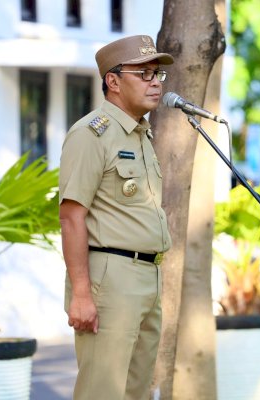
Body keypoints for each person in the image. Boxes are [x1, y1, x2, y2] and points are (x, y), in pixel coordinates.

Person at [58, 34, 174, 400]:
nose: (155, 82)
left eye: (158, 74)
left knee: (135, 392)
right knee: (102, 392)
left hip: (148, 276)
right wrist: (81, 294)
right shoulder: (92, 135)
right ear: (113, 80)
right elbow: (72, 217)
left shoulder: (141, 136)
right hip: (111, 278)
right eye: (144, 74)